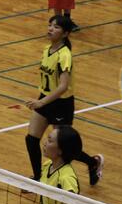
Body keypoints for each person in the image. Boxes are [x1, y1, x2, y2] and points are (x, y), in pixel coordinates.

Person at [24, 15, 104, 188]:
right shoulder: (47, 49)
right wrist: (41, 100)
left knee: (64, 147)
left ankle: (93, 162)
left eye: (56, 27)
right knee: (31, 139)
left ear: (66, 33)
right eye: (50, 25)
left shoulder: (65, 55)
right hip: (45, 98)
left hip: (61, 104)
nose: (51, 29)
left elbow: (63, 86)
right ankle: (38, 178)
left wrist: (41, 103)